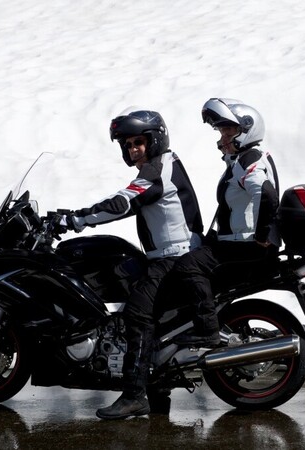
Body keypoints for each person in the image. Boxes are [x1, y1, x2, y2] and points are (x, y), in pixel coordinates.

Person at [57, 108, 203, 420]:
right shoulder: (162, 164)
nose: (133, 149)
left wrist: (76, 218)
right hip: (173, 253)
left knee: (138, 314)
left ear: (155, 140)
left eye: (139, 142)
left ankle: (135, 395)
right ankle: (157, 381)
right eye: (128, 144)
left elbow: (123, 202)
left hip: (173, 258)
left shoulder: (156, 172)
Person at [166, 98, 280, 347]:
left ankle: (207, 330)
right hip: (239, 240)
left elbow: (267, 194)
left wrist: (262, 236)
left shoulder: (249, 160)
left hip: (248, 245)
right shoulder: (242, 160)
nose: (223, 136)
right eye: (221, 130)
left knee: (188, 267)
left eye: (230, 130)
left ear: (247, 130)